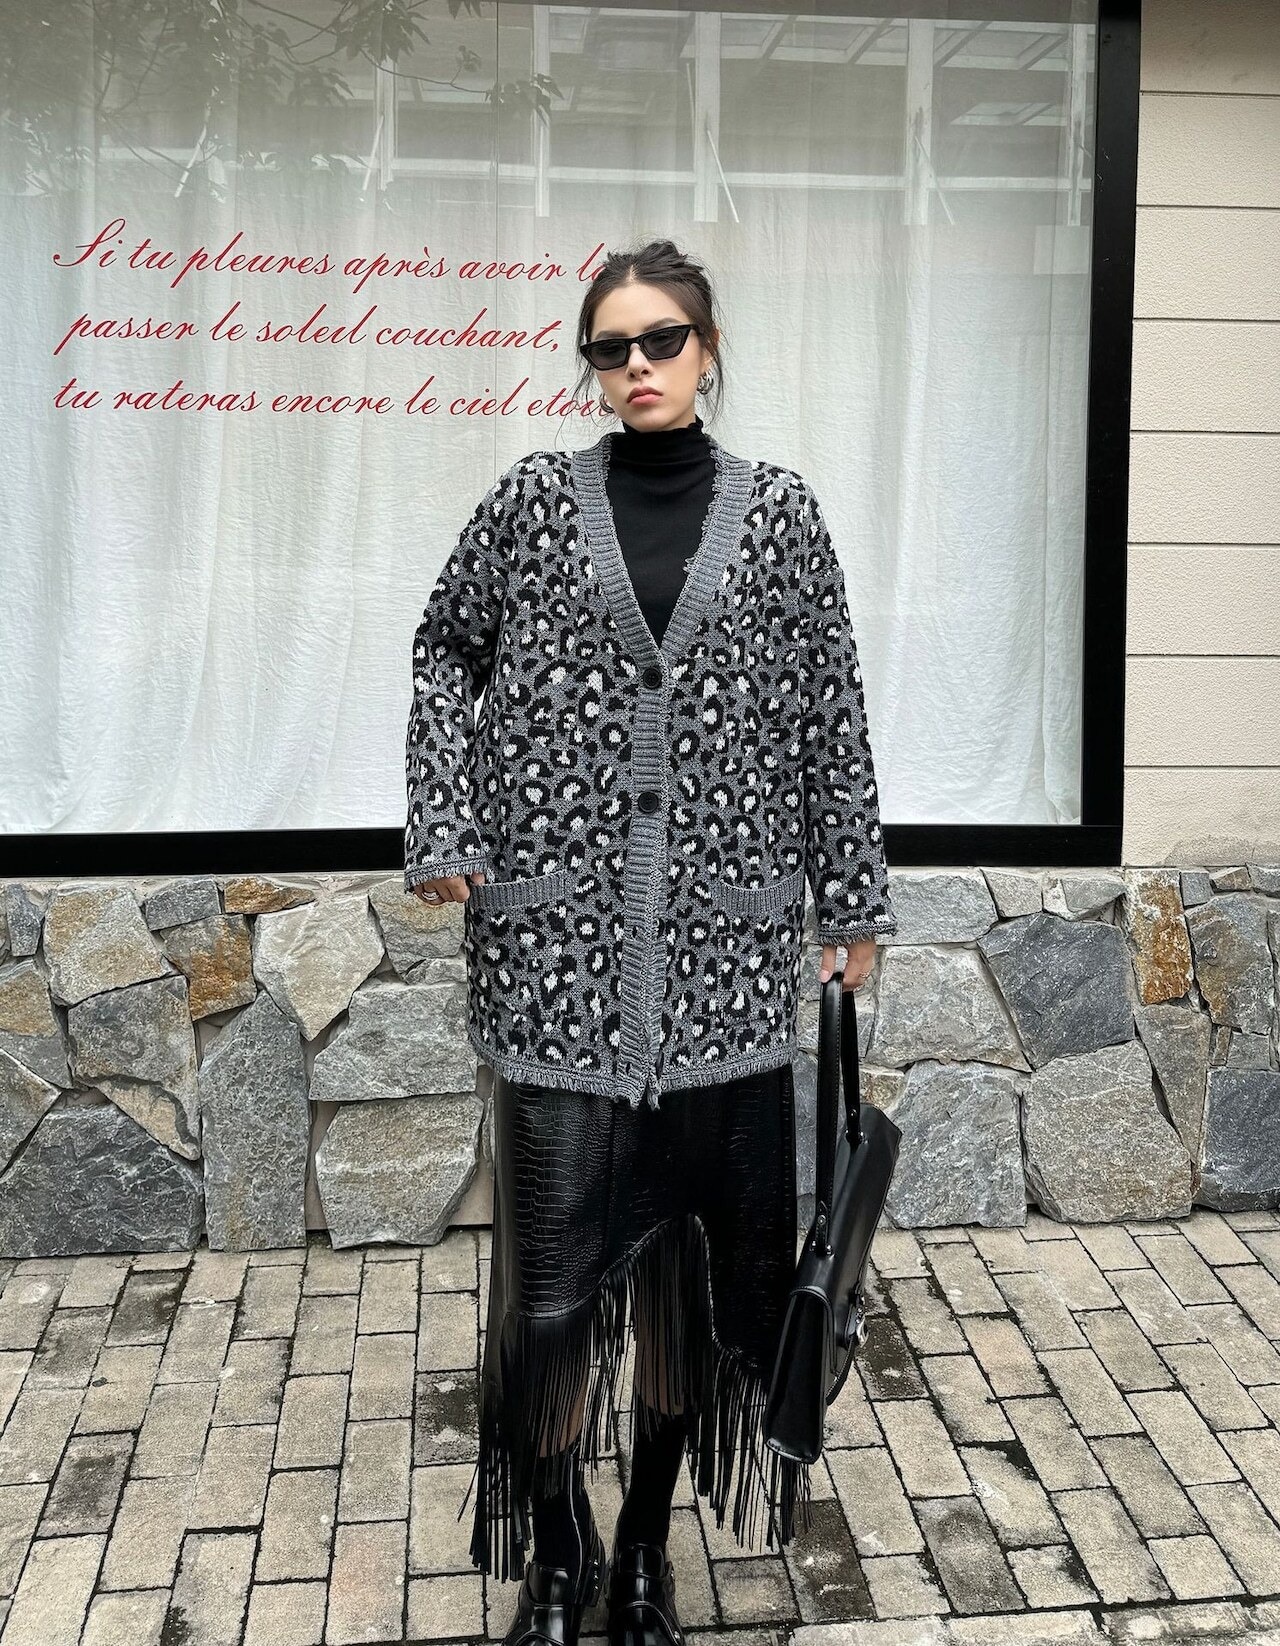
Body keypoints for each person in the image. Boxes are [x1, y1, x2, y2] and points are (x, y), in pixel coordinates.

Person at [405, 240, 897, 1646]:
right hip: (554, 968)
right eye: (610, 347)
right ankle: (557, 1553)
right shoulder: (530, 505)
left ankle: (640, 1554)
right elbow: (444, 651)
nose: (636, 367)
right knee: (551, 1299)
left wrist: (852, 898)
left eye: (661, 340)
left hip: (727, 977)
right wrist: (446, 818)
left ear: (707, 345)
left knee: (686, 1300)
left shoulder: (782, 518)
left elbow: (829, 713)